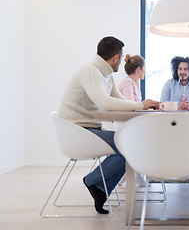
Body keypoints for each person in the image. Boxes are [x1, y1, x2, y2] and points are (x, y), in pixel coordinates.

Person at [58, 36, 160, 214]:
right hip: (77, 131)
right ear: (115, 58)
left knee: (130, 145)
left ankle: (101, 189)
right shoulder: (90, 71)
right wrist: (140, 105)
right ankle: (92, 180)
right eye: (121, 58)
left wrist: (145, 107)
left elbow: (121, 101)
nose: (121, 61)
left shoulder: (106, 76)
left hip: (89, 130)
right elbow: (105, 102)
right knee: (129, 146)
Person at [117, 54, 148, 187]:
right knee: (144, 140)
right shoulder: (127, 82)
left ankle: (136, 173)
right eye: (144, 68)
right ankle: (132, 174)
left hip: (130, 122)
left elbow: (136, 106)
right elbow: (131, 106)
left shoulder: (134, 82)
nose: (145, 71)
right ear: (138, 69)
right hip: (123, 124)